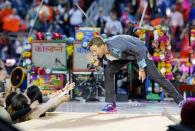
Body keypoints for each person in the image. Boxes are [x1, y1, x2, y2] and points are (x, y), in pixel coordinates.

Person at [88, 35, 184, 113]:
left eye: (95, 50)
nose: (93, 53)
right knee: (108, 71)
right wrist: (97, 65)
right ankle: (111, 104)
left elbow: (139, 49)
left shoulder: (117, 44)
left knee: (157, 77)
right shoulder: (101, 52)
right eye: (92, 51)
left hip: (139, 53)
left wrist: (141, 68)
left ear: (102, 46)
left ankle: (180, 100)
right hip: (123, 57)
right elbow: (102, 64)